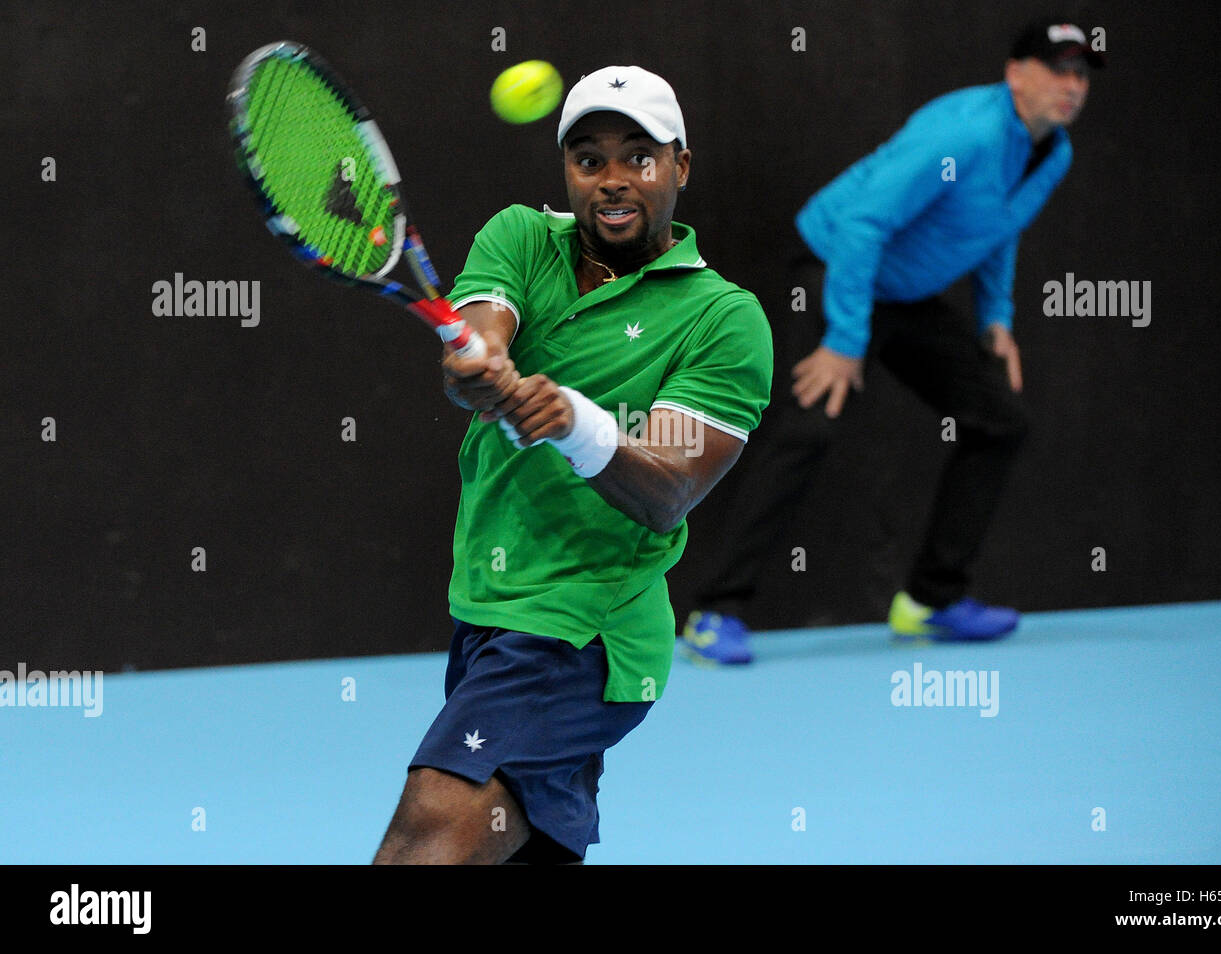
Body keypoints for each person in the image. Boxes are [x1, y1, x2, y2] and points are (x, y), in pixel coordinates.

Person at [372, 66, 772, 863]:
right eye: (589, 159)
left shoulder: (725, 321)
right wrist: (479, 363)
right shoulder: (521, 236)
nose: (613, 179)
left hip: (587, 633)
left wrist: (579, 426)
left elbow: (667, 491)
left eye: (639, 157)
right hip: (488, 607)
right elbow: (483, 332)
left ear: (681, 165)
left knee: (426, 832)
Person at [683, 18, 1104, 664]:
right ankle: (715, 612)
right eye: (1057, 69)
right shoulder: (964, 134)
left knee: (1000, 421)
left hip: (905, 293)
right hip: (837, 266)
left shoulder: (1055, 152)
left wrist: (996, 319)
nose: (1071, 85)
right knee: (808, 429)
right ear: (1016, 74)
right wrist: (844, 340)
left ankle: (930, 601)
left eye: (1080, 73)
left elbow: (1000, 228)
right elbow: (863, 222)